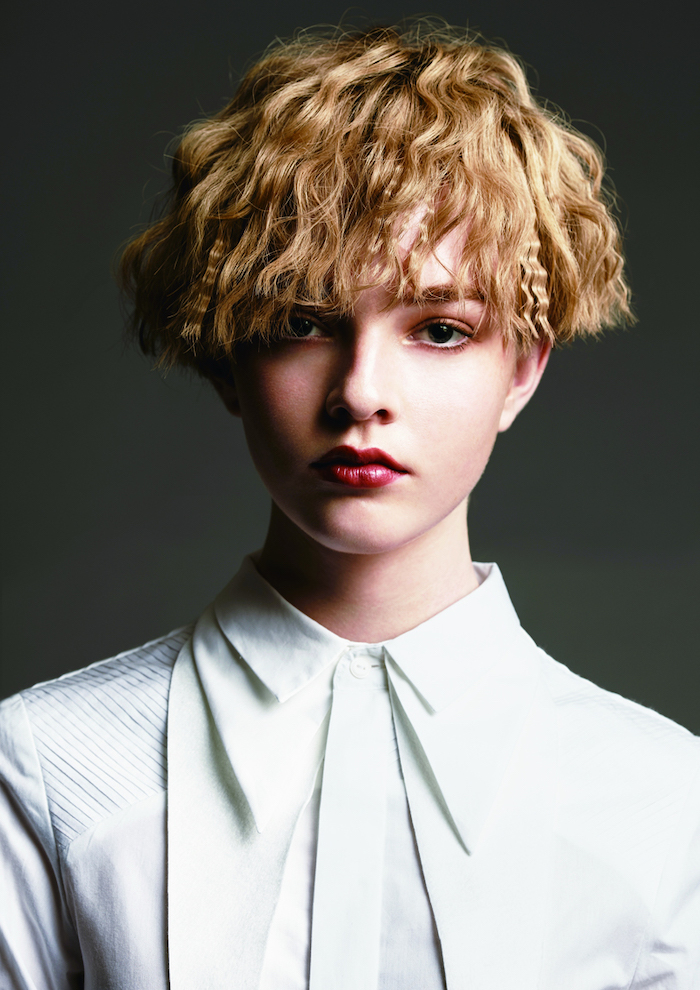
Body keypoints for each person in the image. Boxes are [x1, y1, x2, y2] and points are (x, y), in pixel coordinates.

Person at [1, 21, 698, 990]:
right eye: (300, 323)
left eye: (441, 329)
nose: (362, 390)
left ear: (524, 370)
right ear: (226, 360)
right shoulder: (48, 768)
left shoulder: (666, 803)